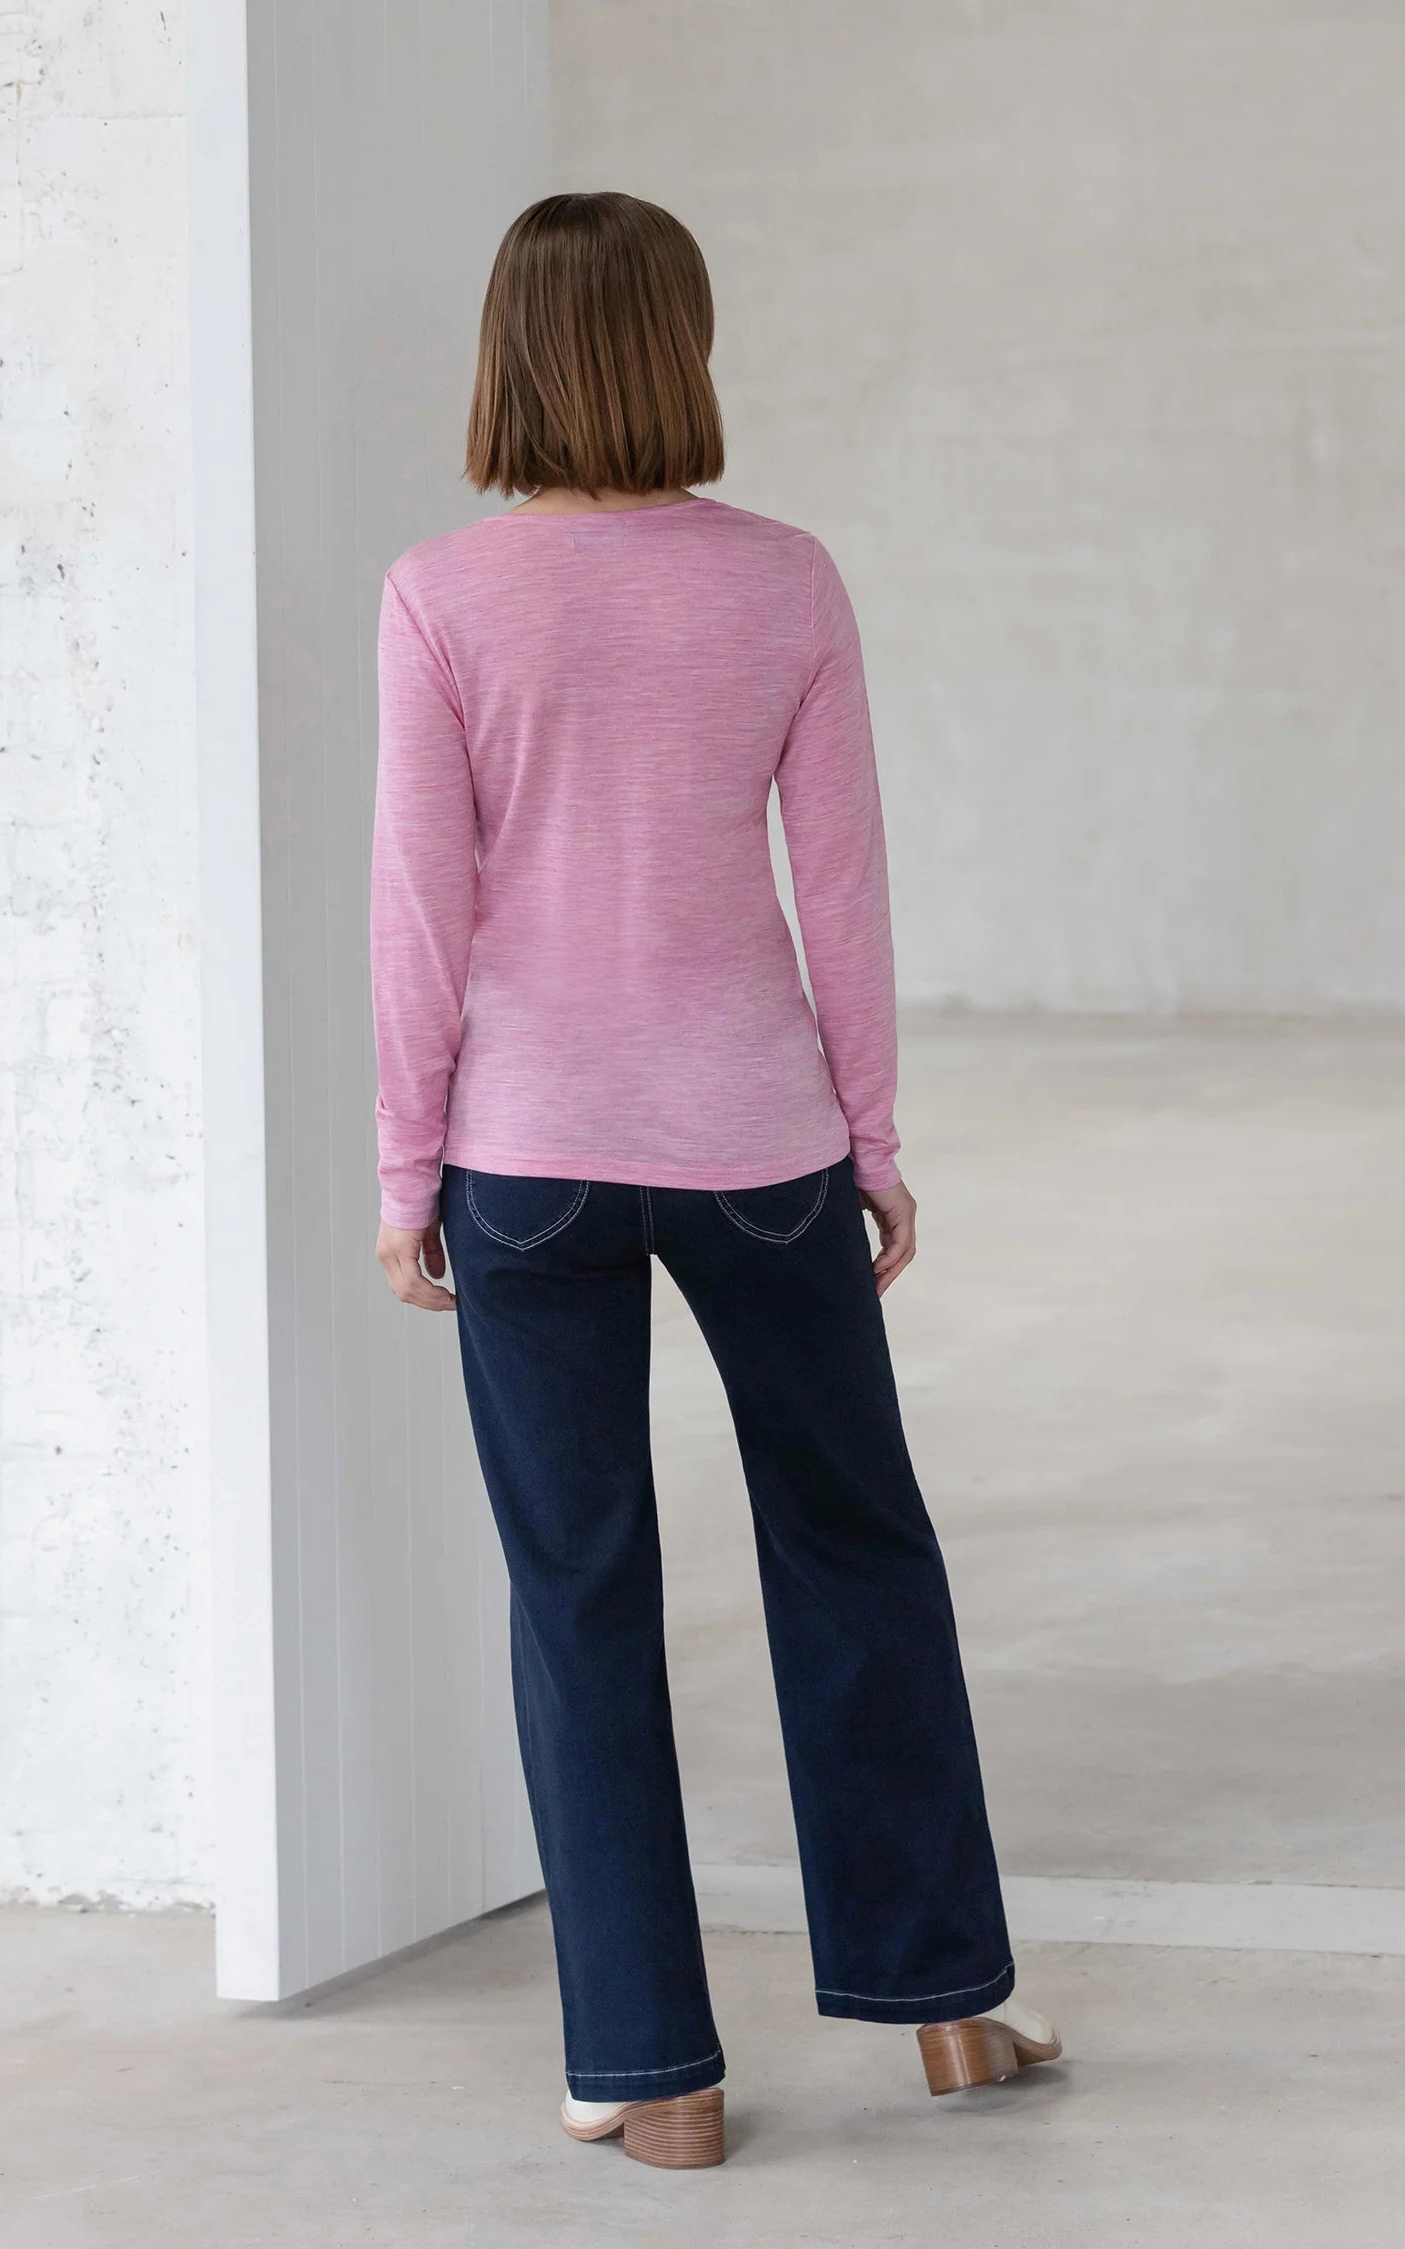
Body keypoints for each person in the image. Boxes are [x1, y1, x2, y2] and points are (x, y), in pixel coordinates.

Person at [370, 191, 1060, 2170]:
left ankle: (651, 2071)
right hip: (762, 1143)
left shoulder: (443, 593)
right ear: (685, 346)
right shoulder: (782, 581)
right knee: (858, 1547)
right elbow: (841, 884)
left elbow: (419, 910)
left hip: (525, 1159)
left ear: (506, 355)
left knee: (579, 1589)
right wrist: (877, 1141)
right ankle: (947, 2006)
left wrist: (406, 1172)